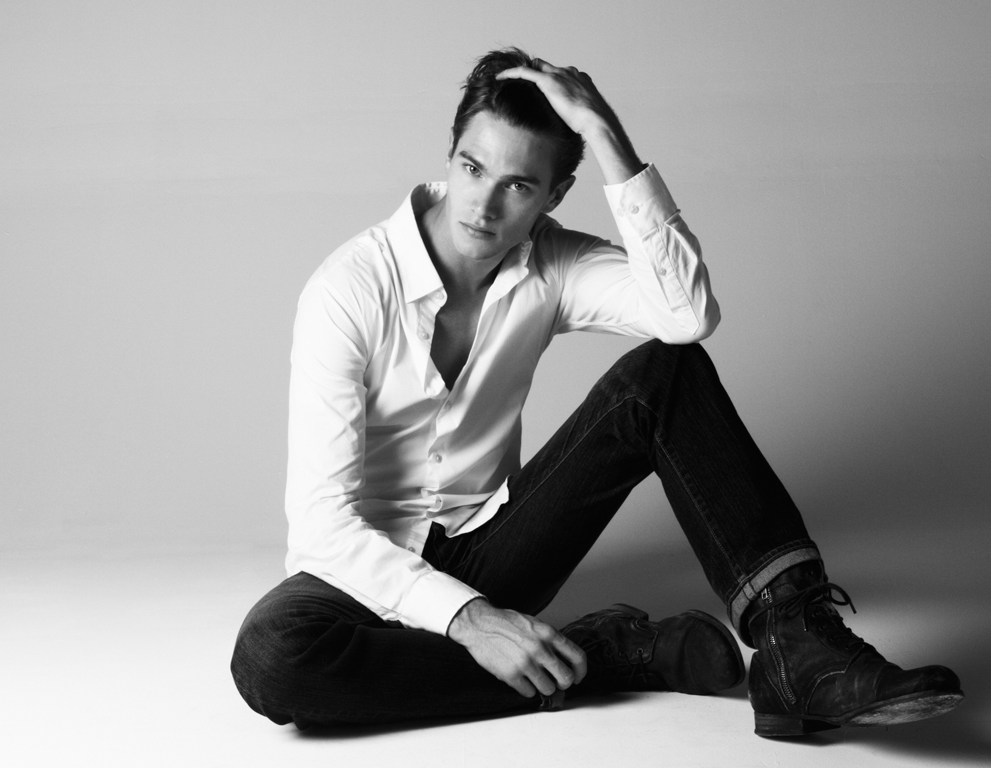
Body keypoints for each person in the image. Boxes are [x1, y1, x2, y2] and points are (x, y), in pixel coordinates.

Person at [231, 48, 963, 737]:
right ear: (449, 156)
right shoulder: (349, 289)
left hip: (494, 545)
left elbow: (686, 316)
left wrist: (605, 133)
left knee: (666, 374)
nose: (483, 204)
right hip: (360, 571)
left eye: (518, 185)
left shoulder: (552, 262)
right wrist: (470, 620)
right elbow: (323, 528)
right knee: (272, 658)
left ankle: (798, 648)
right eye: (472, 167)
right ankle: (602, 655)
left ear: (554, 195)